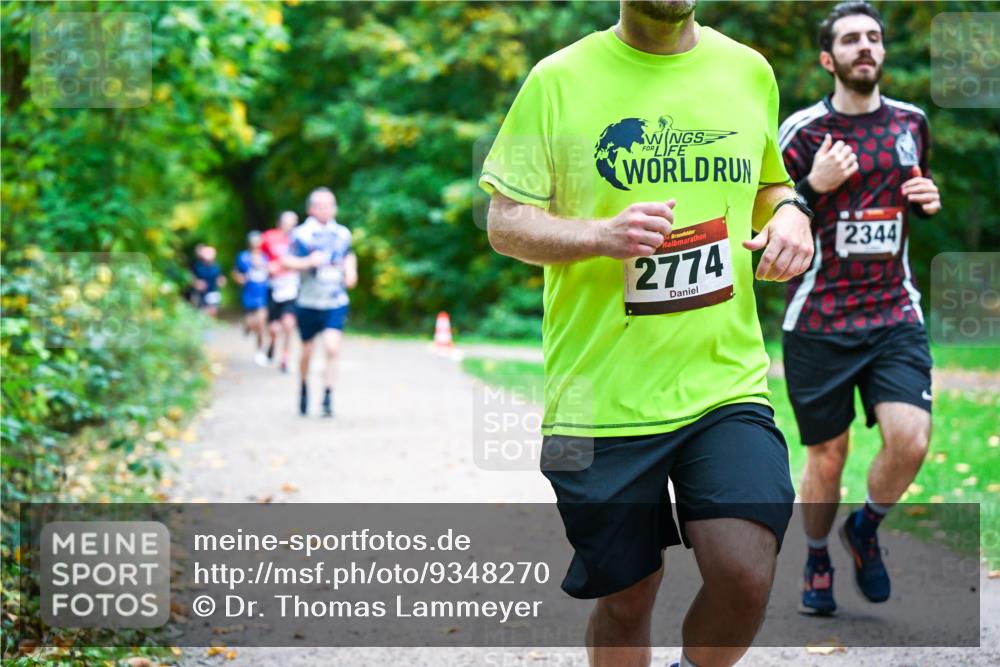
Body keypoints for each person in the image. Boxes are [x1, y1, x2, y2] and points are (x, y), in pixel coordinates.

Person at [480, 1, 814, 665]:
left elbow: (771, 184)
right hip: (598, 397)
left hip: (724, 383)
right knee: (628, 596)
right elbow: (504, 220)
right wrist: (600, 236)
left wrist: (794, 216)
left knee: (745, 570)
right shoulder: (554, 80)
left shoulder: (748, 71)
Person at [777, 1, 941, 617]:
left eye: (873, 37)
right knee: (829, 455)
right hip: (818, 319)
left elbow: (915, 187)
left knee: (912, 439)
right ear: (829, 59)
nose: (864, 47)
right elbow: (769, 218)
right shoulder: (802, 134)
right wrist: (812, 186)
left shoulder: (911, 123)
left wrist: (927, 199)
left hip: (893, 311)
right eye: (850, 40)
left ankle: (865, 528)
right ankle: (817, 553)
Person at [282, 188, 357, 417]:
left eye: (330, 204)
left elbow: (348, 255)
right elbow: (286, 260)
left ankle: (327, 396)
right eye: (321, 205)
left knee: (333, 348)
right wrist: (307, 262)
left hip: (335, 301)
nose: (326, 209)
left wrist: (351, 272)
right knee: (307, 352)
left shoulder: (342, 234)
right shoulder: (301, 234)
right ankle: (304, 387)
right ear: (311, 208)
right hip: (308, 301)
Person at [262, 211, 300, 372]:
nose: (290, 226)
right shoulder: (268, 237)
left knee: (289, 323)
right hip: (274, 286)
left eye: (293, 223)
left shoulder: (299, 239)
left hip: (292, 286)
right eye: (287, 222)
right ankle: (272, 342)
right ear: (279, 223)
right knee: (274, 327)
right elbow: (258, 257)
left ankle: (285, 356)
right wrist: (267, 267)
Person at [232, 231, 271, 366]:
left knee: (261, 323)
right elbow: (235, 272)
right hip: (249, 293)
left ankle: (260, 351)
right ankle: (247, 326)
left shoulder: (265, 257)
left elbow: (271, 271)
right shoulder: (243, 257)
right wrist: (240, 279)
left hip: (263, 294)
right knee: (251, 323)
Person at [190, 243, 225, 318]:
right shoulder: (197, 266)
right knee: (202, 312)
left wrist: (221, 281)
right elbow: (191, 278)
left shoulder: (216, 267)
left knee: (213, 311)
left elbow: (221, 277)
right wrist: (196, 283)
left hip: (212, 291)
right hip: (201, 294)